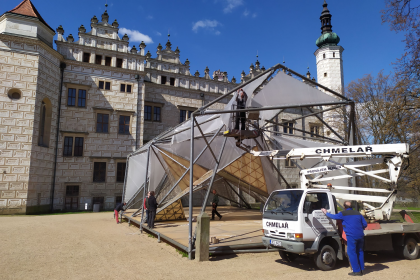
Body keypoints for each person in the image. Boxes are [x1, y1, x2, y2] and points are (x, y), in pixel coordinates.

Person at [321, 201, 367, 276]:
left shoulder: (343, 214)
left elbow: (333, 216)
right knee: (360, 251)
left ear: (344, 207)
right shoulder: (358, 213)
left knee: (351, 253)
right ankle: (362, 269)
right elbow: (365, 224)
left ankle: (356, 271)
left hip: (351, 236)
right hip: (360, 235)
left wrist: (325, 212)